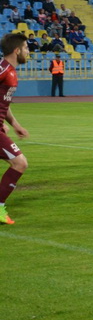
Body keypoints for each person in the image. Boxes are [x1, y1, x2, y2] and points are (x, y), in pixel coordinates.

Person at [0, 34, 31, 225]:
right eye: (26, 48)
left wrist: (15, 124)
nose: (29, 52)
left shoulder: (9, 71)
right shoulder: (3, 69)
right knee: (20, 163)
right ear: (17, 50)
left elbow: (4, 103)